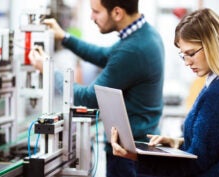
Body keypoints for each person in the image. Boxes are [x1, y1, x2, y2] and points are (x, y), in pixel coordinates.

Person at [111, 8, 219, 177]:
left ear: (212, 45)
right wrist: (177, 143)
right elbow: (213, 147)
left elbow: (193, 165)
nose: (187, 62)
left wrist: (133, 156)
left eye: (191, 53)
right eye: (183, 55)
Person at [28, 0, 165, 176]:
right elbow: (104, 55)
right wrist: (64, 37)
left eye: (96, 12)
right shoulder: (145, 34)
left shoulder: (133, 50)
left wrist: (48, 70)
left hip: (128, 155)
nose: (92, 17)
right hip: (137, 148)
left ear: (117, 13)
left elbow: (87, 99)